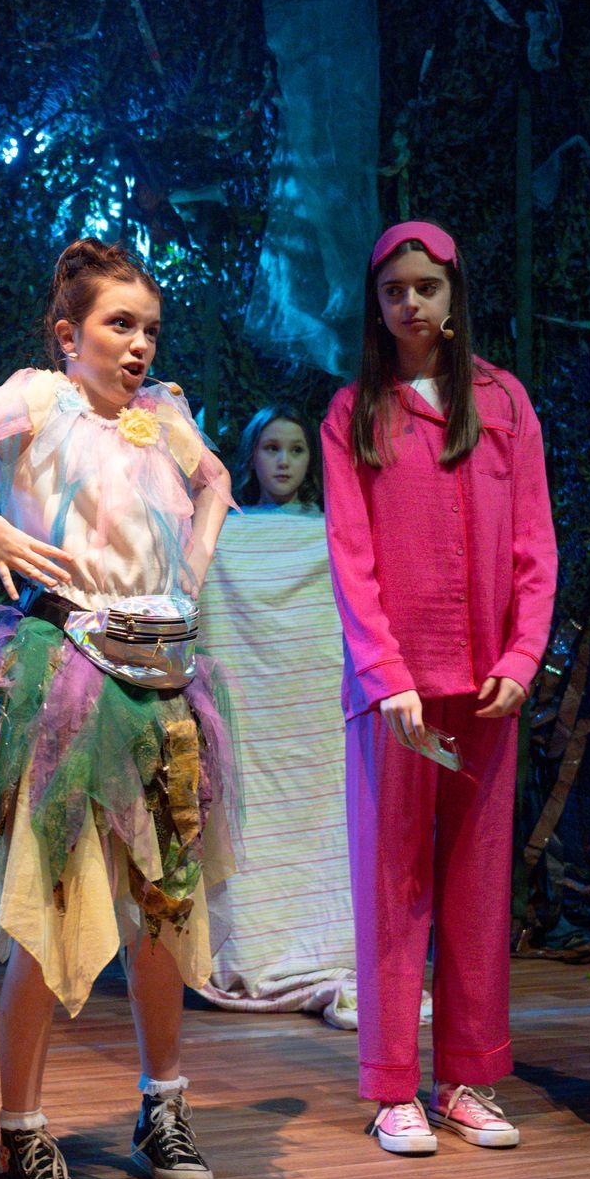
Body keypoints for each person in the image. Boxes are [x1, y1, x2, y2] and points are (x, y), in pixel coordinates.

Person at [0, 238, 237, 1179]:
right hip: (65, 675)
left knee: (162, 907)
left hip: (157, 678)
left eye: (150, 329)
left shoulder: (164, 418)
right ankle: (21, 1134)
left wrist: (193, 570)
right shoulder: (38, 401)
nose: (138, 345)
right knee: (51, 904)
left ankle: (163, 1108)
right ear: (68, 334)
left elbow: (215, 482)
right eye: (119, 325)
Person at [321, 220, 557, 1155]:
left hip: (487, 685)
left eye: (425, 287)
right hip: (399, 695)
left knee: (478, 880)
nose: (410, 303)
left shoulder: (503, 401)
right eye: (393, 291)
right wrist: (385, 673)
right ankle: (392, 1087)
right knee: (395, 883)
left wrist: (522, 657)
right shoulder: (354, 413)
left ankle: (466, 1078)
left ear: (453, 292)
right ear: (375, 304)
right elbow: (350, 553)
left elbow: (534, 543)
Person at [198, 407, 361, 1021]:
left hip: (313, 718)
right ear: (252, 455)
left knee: (322, 824)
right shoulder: (226, 532)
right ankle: (253, 945)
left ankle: (325, 945)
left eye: (296, 449)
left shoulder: (332, 532)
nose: (284, 461)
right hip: (253, 719)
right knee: (252, 823)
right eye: (271, 448)